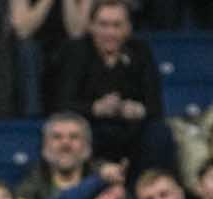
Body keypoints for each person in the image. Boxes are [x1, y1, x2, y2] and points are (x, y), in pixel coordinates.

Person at [51, 0, 173, 175]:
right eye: (103, 25)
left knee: (159, 133)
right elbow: (62, 104)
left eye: (117, 25)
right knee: (74, 134)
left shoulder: (140, 51)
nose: (110, 33)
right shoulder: (75, 52)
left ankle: (148, 186)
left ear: (128, 28)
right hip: (92, 127)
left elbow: (155, 106)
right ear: (91, 26)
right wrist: (95, 108)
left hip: (131, 129)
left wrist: (138, 110)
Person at [13, 111, 93, 199]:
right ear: (44, 147)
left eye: (74, 137)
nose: (65, 143)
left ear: (87, 147)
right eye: (57, 137)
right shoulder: (27, 190)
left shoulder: (104, 185)